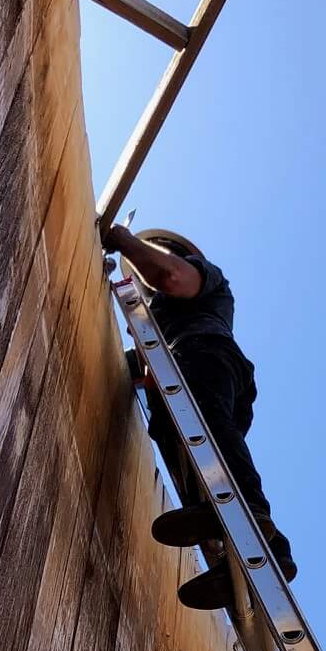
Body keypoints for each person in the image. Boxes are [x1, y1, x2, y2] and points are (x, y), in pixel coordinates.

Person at [101, 221, 296, 609]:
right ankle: (244, 562)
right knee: (200, 482)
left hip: (203, 356)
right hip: (179, 380)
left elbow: (170, 276)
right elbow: (131, 366)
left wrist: (121, 240)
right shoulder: (156, 323)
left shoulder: (206, 279)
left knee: (211, 431)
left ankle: (258, 525)